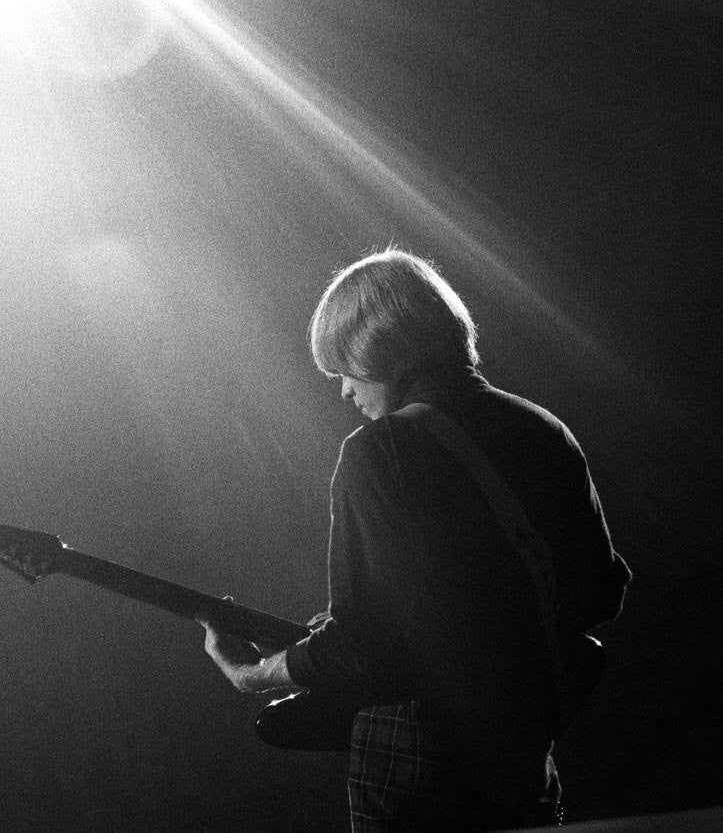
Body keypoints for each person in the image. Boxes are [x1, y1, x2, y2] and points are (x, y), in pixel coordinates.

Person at [197, 247, 631, 830]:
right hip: (524, 750)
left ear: (382, 350)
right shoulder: (544, 428)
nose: (346, 392)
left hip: (418, 761)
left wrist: (259, 673)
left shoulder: (380, 453)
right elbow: (599, 595)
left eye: (347, 369)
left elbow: (361, 646)